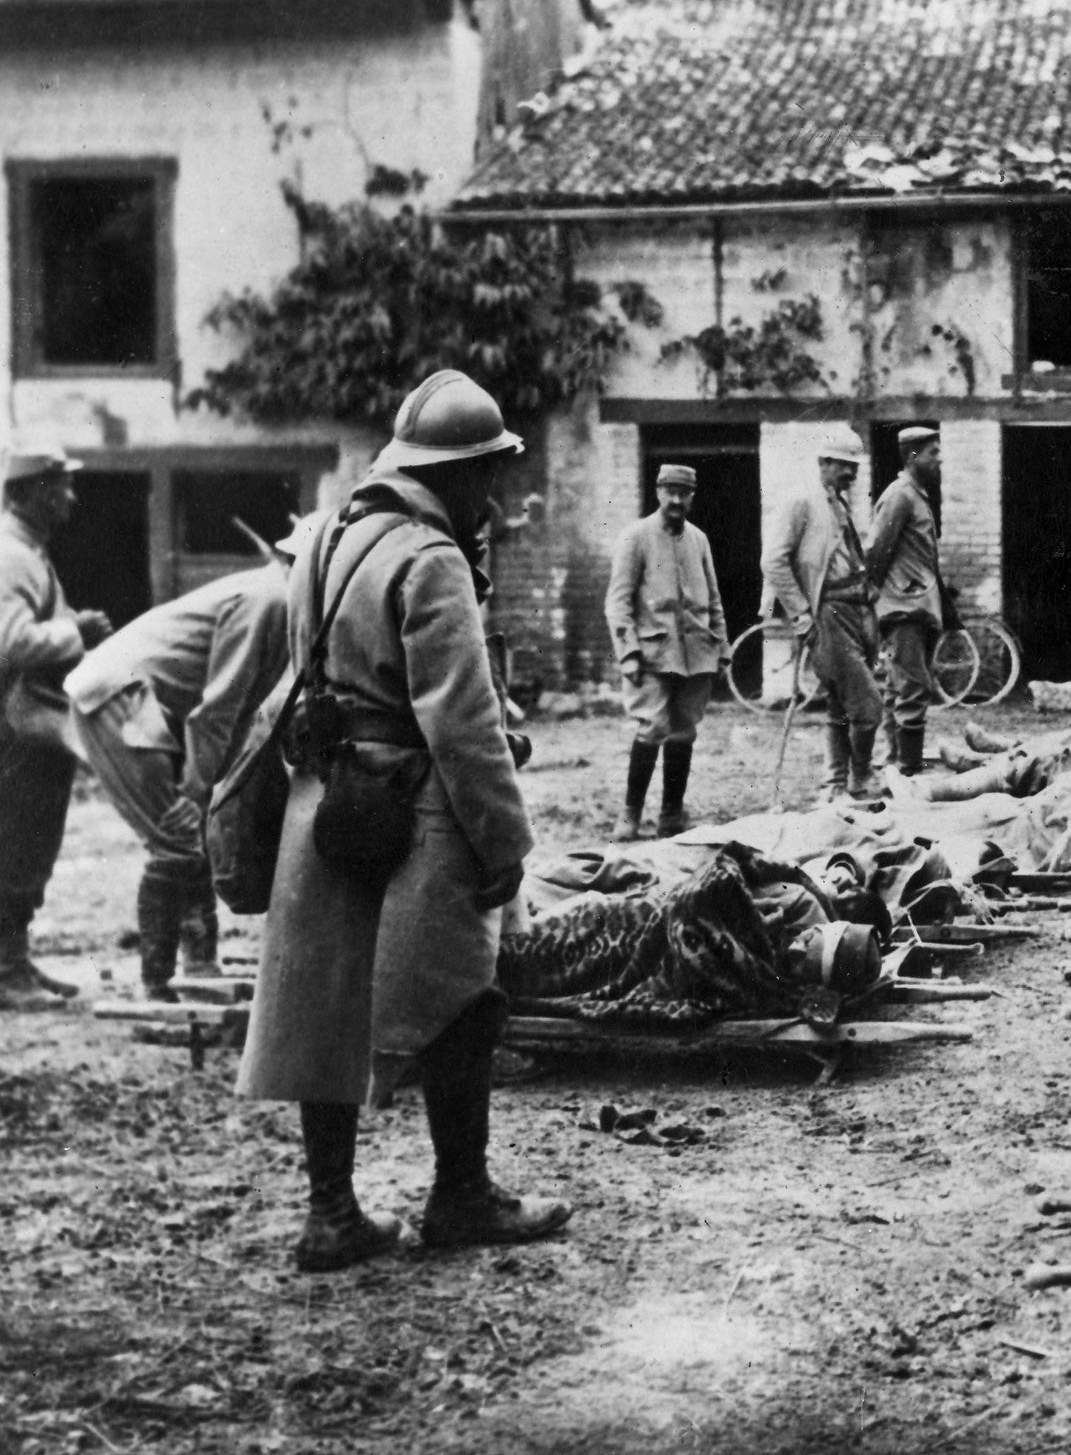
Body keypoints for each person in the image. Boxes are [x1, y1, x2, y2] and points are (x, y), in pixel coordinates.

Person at [237, 369, 568, 1273]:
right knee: (468, 994)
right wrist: (505, 844)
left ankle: (331, 1213)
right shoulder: (430, 557)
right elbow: (462, 722)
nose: (492, 495)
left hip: (327, 796)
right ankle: (461, 1194)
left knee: (324, 1002)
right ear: (457, 475)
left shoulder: (328, 538)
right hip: (414, 800)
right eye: (488, 476)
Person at [65, 531, 299, 1000]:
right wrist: (198, 792)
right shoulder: (271, 599)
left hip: (138, 697)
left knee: (190, 835)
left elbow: (237, 714)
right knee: (176, 837)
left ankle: (199, 966)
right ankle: (157, 982)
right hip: (115, 696)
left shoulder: (280, 601)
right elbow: (217, 711)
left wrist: (213, 792)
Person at [0, 431, 113, 1010]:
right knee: (14, 842)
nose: (71, 496)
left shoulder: (29, 553)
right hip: (14, 729)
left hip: (31, 726)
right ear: (31, 493)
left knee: (30, 842)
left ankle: (14, 960)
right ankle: (6, 970)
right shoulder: (12, 557)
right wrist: (78, 633)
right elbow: (10, 641)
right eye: (61, 485)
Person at [604, 463, 730, 840]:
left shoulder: (699, 540)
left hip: (696, 652)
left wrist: (721, 645)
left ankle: (671, 814)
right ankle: (630, 813)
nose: (676, 499)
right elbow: (618, 602)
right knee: (652, 726)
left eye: (684, 493)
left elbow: (714, 598)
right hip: (653, 653)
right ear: (658, 491)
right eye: (670, 491)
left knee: (685, 731)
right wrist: (627, 652)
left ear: (692, 496)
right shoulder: (636, 537)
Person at [763, 427, 884, 803]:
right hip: (827, 614)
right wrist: (801, 615)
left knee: (839, 704)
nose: (851, 474)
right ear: (823, 462)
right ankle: (860, 780)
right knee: (867, 706)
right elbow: (774, 562)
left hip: (856, 611)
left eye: (854, 467)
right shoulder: (802, 502)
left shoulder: (839, 504)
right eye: (844, 466)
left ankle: (833, 786)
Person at [866, 424, 945, 775]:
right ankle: (908, 769)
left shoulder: (917, 495)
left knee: (901, 686)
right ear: (913, 456)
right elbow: (877, 551)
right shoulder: (899, 495)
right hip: (904, 608)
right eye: (933, 453)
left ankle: (895, 762)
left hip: (918, 606)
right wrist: (875, 598)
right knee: (913, 687)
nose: (939, 459)